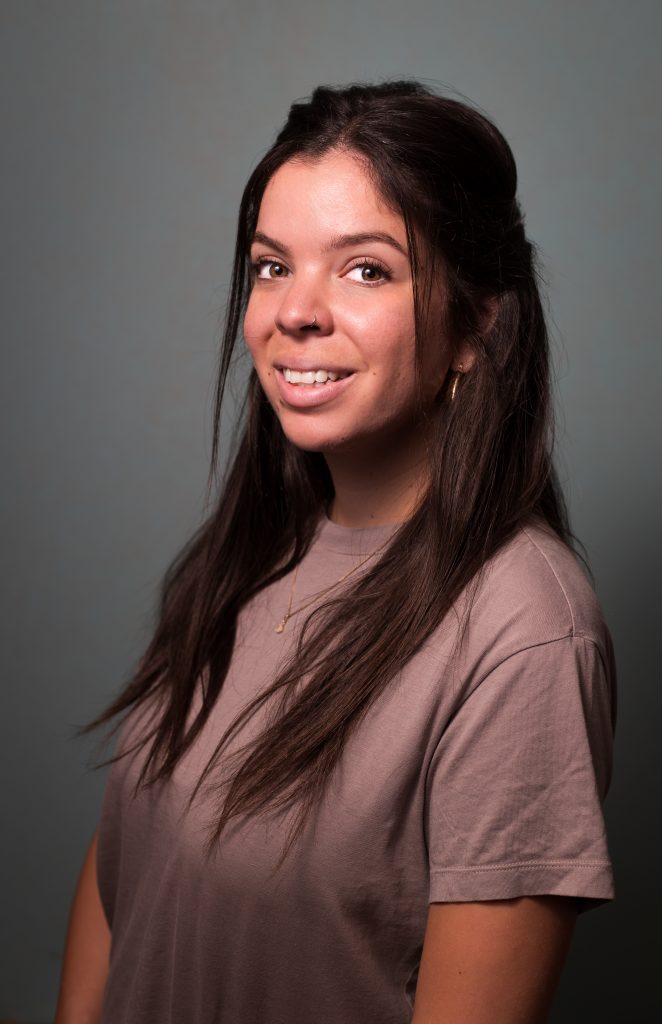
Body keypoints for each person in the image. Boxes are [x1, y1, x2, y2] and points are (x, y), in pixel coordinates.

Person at [55, 80, 616, 1024]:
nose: (295, 312)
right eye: (272, 266)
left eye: (364, 270)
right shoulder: (242, 559)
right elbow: (127, 872)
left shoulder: (524, 631)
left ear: (475, 324)